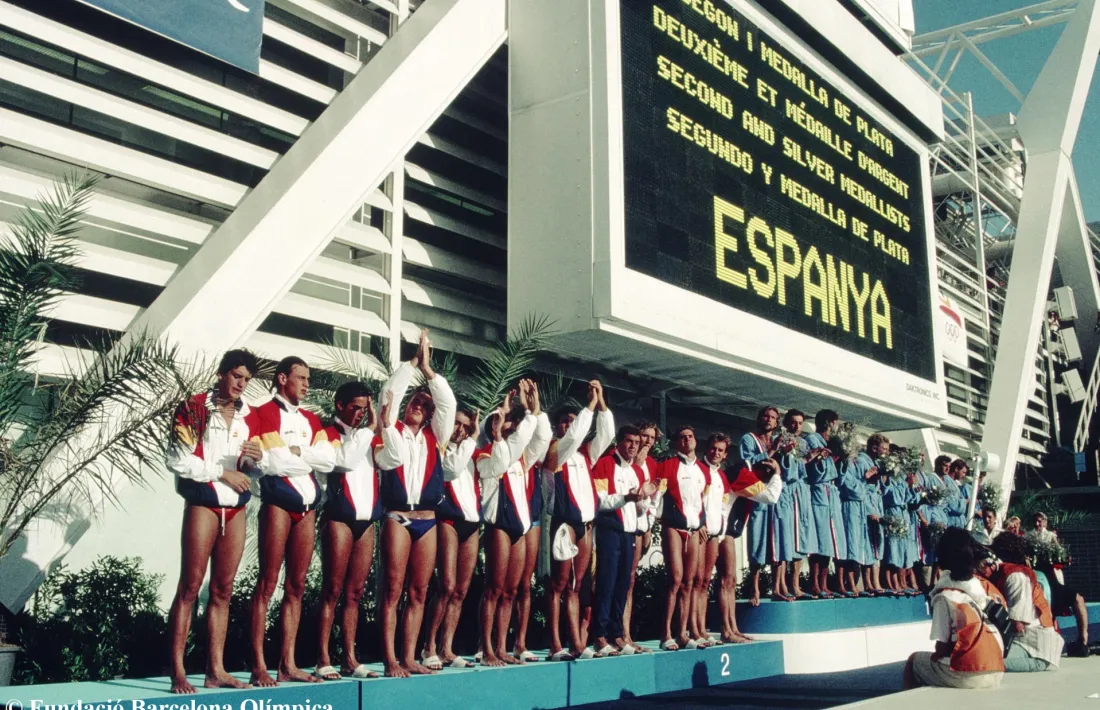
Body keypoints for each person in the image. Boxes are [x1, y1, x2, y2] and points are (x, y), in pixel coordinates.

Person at [166, 349, 262, 694]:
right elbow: (177, 460)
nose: (241, 384)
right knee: (190, 588)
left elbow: (251, 471)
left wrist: (255, 461)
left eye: (247, 379)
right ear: (222, 373)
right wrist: (222, 473)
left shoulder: (249, 415)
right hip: (204, 504)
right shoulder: (193, 407)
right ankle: (178, 671)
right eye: (237, 376)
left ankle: (215, 670)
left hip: (235, 508)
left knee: (222, 590)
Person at [373, 330, 457, 677]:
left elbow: (448, 404)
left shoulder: (435, 437)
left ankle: (409, 656)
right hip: (398, 518)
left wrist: (429, 369)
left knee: (419, 591)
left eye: (424, 404)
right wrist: (412, 363)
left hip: (428, 520)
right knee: (393, 591)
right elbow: (389, 395)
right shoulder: (391, 430)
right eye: (415, 402)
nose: (418, 406)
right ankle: (390, 659)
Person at [249, 356, 336, 687]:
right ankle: (259, 665)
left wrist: (295, 453)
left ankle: (288, 664)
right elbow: (271, 464)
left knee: (296, 586)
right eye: (301, 378)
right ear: (282, 378)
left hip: (307, 508)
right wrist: (303, 457)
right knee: (267, 583)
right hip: (278, 505)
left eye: (308, 379)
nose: (306, 384)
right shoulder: (263, 413)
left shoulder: (312, 419)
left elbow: (328, 461)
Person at [478, 381, 551, 666]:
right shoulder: (487, 453)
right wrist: (508, 416)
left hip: (520, 528)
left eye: (512, 425)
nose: (510, 428)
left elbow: (542, 438)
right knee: (494, 589)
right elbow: (512, 441)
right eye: (504, 425)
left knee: (510, 590)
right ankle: (486, 648)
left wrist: (535, 407)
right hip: (499, 525)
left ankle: (502, 646)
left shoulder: (522, 459)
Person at [544, 380, 614, 661]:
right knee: (558, 585)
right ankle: (555, 644)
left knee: (575, 585)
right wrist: (589, 406)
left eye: (572, 421)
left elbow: (607, 434)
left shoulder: (586, 454)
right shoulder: (554, 451)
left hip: (585, 525)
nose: (569, 425)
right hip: (564, 523)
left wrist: (601, 402)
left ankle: (576, 643)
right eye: (564, 421)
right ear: (557, 426)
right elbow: (573, 437)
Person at [315, 381, 381, 681]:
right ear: (340, 405)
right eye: (356, 407)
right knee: (332, 589)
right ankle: (323, 657)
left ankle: (349, 658)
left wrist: (378, 426)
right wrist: (370, 430)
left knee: (355, 593)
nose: (361, 414)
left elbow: (392, 460)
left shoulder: (369, 437)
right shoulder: (327, 435)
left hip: (366, 520)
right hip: (339, 517)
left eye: (365, 409)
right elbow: (344, 461)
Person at [903, 528, 1005, 690]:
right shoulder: (979, 591)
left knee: (914, 661)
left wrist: (941, 656)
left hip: (972, 675)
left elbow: (941, 649)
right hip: (997, 670)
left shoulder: (944, 596)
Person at [421, 406, 480, 670]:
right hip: (448, 519)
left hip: (471, 521)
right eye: (457, 423)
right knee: (446, 585)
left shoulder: (472, 451)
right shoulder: (440, 448)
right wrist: (472, 438)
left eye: (466, 426)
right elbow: (451, 470)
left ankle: (447, 648)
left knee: (461, 590)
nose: (460, 430)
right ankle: (428, 647)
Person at [591, 425, 657, 656]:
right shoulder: (604, 464)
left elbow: (641, 508)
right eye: (629, 441)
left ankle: (617, 634)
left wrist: (645, 498)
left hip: (629, 532)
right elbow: (600, 501)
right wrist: (627, 497)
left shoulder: (637, 471)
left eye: (636, 443)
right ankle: (599, 636)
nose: (633, 446)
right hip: (609, 529)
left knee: (622, 584)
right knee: (606, 582)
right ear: (618, 442)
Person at [718, 457, 783, 642]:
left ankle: (733, 628)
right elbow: (771, 497)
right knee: (726, 580)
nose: (762, 482)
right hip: (722, 529)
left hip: (726, 530)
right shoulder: (743, 474)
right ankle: (726, 630)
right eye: (765, 479)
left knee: (730, 580)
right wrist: (777, 474)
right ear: (763, 471)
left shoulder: (744, 471)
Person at [656, 425, 708, 651]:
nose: (687, 440)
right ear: (677, 442)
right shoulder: (668, 465)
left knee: (689, 581)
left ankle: (683, 633)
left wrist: (703, 522)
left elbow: (703, 500)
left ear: (695, 440)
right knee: (676, 579)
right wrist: (654, 519)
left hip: (694, 529)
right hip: (673, 527)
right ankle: (666, 634)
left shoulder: (703, 470)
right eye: (682, 437)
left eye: (690, 436)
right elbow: (658, 494)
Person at [983, 533, 1063, 672]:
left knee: (987, 662)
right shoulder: (1007, 573)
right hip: (1022, 639)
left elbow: (1018, 624)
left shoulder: (1016, 576)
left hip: (1035, 646)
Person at [621, 420, 660, 653]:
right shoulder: (626, 464)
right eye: (644, 436)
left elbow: (655, 499)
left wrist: (648, 526)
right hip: (623, 525)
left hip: (641, 525)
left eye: (652, 438)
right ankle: (618, 634)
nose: (647, 441)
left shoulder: (653, 465)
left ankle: (626, 633)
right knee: (622, 579)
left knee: (631, 580)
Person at [1029, 512, 1090, 656]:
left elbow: (1060, 553)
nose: (1037, 524)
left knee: (1078, 598)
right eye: (1035, 521)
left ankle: (1083, 641)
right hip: (1035, 580)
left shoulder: (1050, 536)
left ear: (1045, 522)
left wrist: (1060, 554)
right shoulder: (1028, 537)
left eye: (1040, 521)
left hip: (1051, 579)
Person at [693, 433, 732, 646]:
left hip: (715, 535)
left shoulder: (722, 477)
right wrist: (699, 524)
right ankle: (694, 629)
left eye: (720, 450)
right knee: (696, 581)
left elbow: (724, 507)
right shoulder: (698, 470)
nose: (716, 453)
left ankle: (702, 628)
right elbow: (693, 501)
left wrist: (721, 532)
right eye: (713, 448)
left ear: (725, 455)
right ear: (706, 449)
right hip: (699, 532)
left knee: (706, 581)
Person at [803, 410, 846, 597]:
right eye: (834, 423)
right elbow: (816, 469)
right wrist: (829, 456)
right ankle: (814, 583)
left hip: (831, 493)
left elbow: (837, 470)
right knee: (819, 539)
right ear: (827, 423)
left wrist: (841, 457)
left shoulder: (832, 442)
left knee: (830, 540)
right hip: (819, 491)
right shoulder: (813, 439)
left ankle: (824, 583)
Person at [740, 406, 780, 605]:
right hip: (757, 492)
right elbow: (747, 464)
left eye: (773, 417)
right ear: (759, 418)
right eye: (766, 416)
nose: (768, 420)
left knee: (777, 540)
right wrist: (771, 452)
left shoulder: (779, 440)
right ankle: (754, 589)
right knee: (757, 538)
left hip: (777, 492)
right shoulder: (749, 439)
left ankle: (777, 588)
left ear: (777, 422)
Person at [837, 434, 885, 596]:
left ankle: (865, 583)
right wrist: (865, 479)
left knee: (862, 545)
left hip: (861, 506)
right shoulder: (855, 461)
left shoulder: (869, 462)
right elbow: (850, 486)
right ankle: (850, 584)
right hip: (851, 505)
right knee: (852, 544)